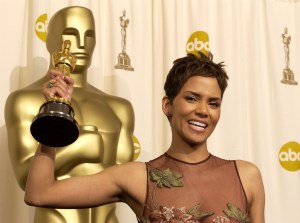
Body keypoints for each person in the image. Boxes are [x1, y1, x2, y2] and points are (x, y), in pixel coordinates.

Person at [24, 52, 265, 223]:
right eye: (192, 98)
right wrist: (54, 115)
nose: (203, 110)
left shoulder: (246, 176)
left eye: (213, 103)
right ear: (168, 105)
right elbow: (40, 193)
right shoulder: (136, 177)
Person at [5, 6, 135, 223]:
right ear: (50, 41)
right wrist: (81, 147)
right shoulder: (25, 101)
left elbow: (127, 181)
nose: (82, 44)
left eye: (89, 35)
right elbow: (26, 179)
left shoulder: (119, 108)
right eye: (71, 34)